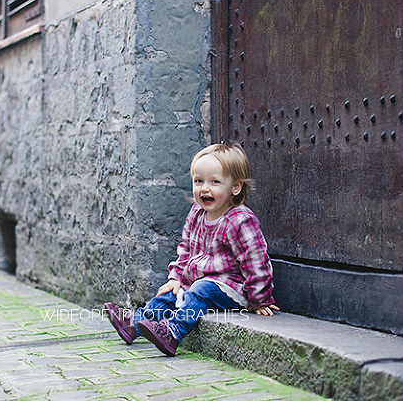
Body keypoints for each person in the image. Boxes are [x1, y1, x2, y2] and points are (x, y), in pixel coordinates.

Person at [104, 143, 278, 356]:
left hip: (231, 288)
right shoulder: (197, 212)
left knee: (200, 290)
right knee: (170, 294)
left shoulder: (240, 220)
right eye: (199, 181)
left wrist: (259, 299)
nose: (205, 188)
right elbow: (186, 249)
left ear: (236, 187)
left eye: (215, 182)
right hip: (198, 283)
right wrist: (176, 278)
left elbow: (256, 262)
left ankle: (173, 332)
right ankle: (134, 323)